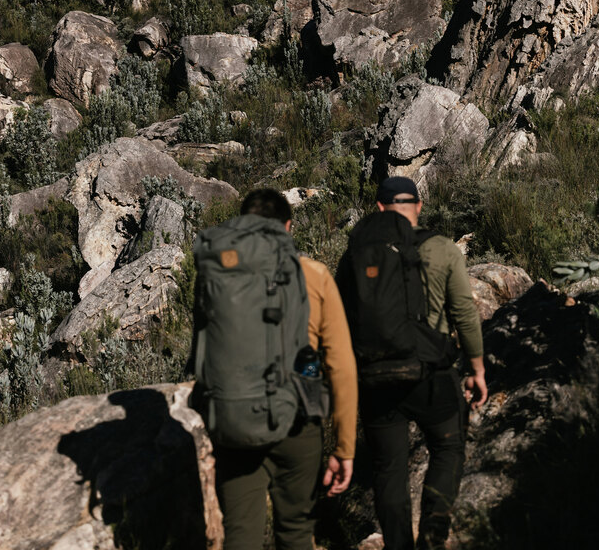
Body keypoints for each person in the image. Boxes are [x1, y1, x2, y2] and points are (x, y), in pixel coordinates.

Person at [207, 188, 359, 550]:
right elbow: (340, 364)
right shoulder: (314, 276)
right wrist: (344, 447)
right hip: (297, 423)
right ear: (288, 228)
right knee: (295, 532)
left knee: (240, 536)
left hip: (236, 423)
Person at [340, 176, 487, 550]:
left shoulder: (357, 252)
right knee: (448, 448)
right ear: (419, 206)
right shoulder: (442, 249)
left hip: (375, 376)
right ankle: (434, 534)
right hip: (431, 374)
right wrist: (477, 368)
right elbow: (464, 313)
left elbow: (341, 319)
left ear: (379, 208)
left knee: (388, 468)